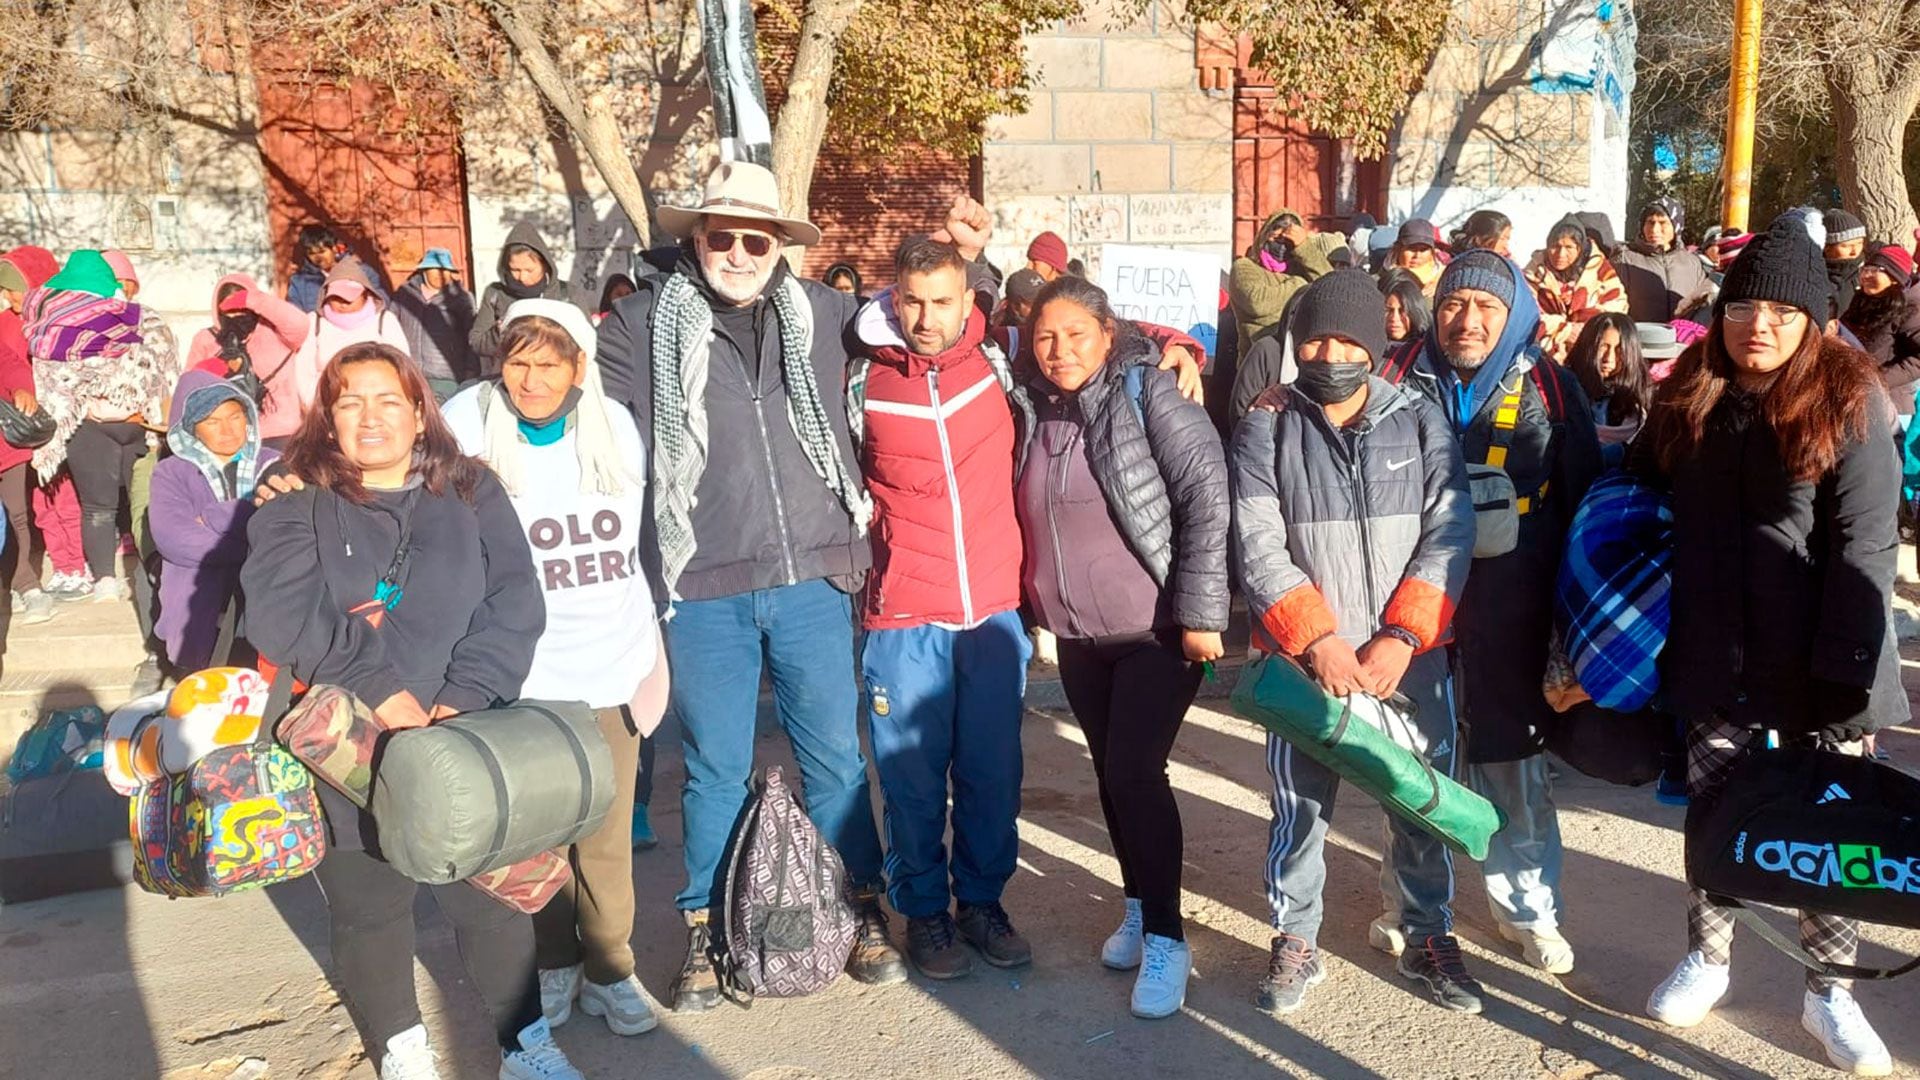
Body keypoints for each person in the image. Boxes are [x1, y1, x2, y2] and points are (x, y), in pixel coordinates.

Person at [595, 160, 908, 1010]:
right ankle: (706, 928)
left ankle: (863, 907)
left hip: (812, 571)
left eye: (756, 238)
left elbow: (936, 325)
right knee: (714, 768)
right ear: (695, 238)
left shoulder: (830, 315)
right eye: (722, 235)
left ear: (780, 247)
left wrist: (1164, 349)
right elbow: (587, 424)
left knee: (837, 761)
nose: (738, 251)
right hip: (700, 580)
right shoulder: (638, 323)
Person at [241, 342, 582, 1080]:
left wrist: (462, 700)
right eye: (351, 401)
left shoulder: (470, 490)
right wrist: (380, 691)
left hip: (465, 731)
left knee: (489, 901)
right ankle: (401, 1045)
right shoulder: (294, 498)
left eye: (389, 400)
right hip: (348, 744)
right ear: (327, 417)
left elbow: (515, 602)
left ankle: (524, 1045)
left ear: (418, 412)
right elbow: (280, 613)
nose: (371, 417)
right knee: (370, 908)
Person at [1635, 216, 1903, 1078]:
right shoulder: (1692, 391)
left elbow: (1867, 544)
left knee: (1825, 837)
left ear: (1814, 320)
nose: (1760, 326)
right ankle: (1709, 960)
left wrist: (1850, 685)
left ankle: (1831, 994)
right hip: (1716, 655)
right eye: (1745, 307)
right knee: (1720, 821)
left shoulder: (1849, 397)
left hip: (1822, 666)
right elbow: (1634, 481)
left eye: (1783, 313)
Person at [1232, 270, 1478, 1015]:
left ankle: (1428, 932)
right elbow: (1257, 540)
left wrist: (1403, 635)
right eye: (1315, 337)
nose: (1330, 352)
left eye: (1347, 338)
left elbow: (1450, 530)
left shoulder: (1423, 421)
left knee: (1420, 805)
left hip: (1411, 661)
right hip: (1309, 664)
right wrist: (1319, 641)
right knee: (1299, 808)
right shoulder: (1266, 424)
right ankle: (1295, 938)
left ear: (1375, 343)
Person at [442, 300, 665, 1042]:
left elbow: (641, 547)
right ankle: (553, 963)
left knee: (603, 834)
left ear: (578, 367)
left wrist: (652, 658)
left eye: (549, 363)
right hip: (521, 672)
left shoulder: (616, 430)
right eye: (517, 361)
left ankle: (610, 969)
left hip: (609, 663)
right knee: (534, 837)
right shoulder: (468, 428)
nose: (530, 379)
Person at [1378, 248, 1602, 976]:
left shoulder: (1552, 387)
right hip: (1415, 610)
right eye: (1452, 304)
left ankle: (1529, 912)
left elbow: (1584, 514)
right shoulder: (1393, 378)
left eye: (1486, 308)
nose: (1466, 321)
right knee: (1411, 768)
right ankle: (1408, 907)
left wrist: (1571, 636)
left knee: (1514, 769)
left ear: (1514, 317)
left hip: (1516, 610)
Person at [1016, 276, 1229, 1018]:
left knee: (1137, 772)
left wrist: (1203, 612)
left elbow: (1208, 491)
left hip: (1157, 632)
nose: (1060, 349)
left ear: (1109, 334)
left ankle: (1169, 939)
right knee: (1109, 776)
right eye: (1046, 336)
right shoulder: (1032, 408)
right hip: (1077, 636)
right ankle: (1138, 903)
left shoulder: (1149, 393)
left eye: (1077, 333)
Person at [849, 236, 1036, 981]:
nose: (927, 317)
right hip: (904, 617)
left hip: (992, 610)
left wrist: (1177, 347)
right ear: (894, 298)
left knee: (993, 776)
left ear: (969, 301)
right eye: (913, 301)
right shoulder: (858, 376)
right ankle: (924, 914)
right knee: (913, 784)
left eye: (942, 301)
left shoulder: (1000, 360)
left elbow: (1093, 341)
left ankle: (982, 904)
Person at [25, 250, 174, 604]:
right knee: (139, 504)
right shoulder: (144, 320)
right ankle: (142, 573)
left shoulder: (49, 330)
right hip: (135, 424)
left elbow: (54, 384)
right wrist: (150, 409)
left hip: (93, 425)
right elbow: (162, 370)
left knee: (100, 507)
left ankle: (110, 578)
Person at [148, 369, 276, 671]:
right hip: (199, 602)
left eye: (235, 417)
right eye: (212, 422)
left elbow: (281, 526)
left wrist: (214, 517)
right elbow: (173, 537)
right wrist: (248, 537)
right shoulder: (171, 472)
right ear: (191, 429)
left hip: (264, 597)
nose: (227, 430)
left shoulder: (274, 464)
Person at [265, 258, 411, 446]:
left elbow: (402, 367)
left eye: (349, 297)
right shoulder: (315, 323)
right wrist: (319, 409)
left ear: (366, 294)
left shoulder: (385, 321)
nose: (342, 303)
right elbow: (303, 372)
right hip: (325, 416)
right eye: (336, 297)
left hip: (374, 413)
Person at [0, 247, 55, 624]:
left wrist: (23, 390)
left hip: (7, 441)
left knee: (18, 514)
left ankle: (26, 583)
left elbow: (12, 365)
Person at [1230, 210, 1331, 367]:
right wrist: (1300, 286)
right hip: (1259, 365)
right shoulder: (1245, 267)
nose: (1282, 246)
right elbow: (1257, 304)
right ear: (1265, 236)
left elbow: (1331, 290)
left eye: (1288, 242)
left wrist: (1304, 247)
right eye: (1277, 239)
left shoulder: (1299, 267)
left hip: (1299, 365)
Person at [473, 223, 574, 376]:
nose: (522, 277)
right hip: (509, 381)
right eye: (515, 270)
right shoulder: (495, 294)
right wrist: (499, 331)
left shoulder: (567, 294)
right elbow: (477, 342)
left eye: (529, 270)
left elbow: (587, 342)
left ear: (545, 265)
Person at [1525, 215, 1628, 364]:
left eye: (1569, 247)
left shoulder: (1599, 269)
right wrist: (1565, 330)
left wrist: (1586, 330)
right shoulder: (1534, 272)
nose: (1560, 254)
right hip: (1542, 358)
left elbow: (1618, 306)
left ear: (1580, 248)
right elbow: (1526, 314)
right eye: (1555, 246)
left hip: (1591, 356)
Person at [185, 274, 309, 392]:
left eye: (241, 310)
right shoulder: (206, 339)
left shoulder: (273, 332)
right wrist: (202, 375)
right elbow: (186, 391)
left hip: (277, 412)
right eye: (229, 312)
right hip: (229, 412)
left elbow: (300, 325)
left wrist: (254, 299)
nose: (235, 317)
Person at [1841, 245, 1920, 422]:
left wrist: (1879, 379)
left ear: (1895, 277)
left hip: (1890, 403)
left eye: (1875, 270)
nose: (1866, 275)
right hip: (1854, 392)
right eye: (1865, 269)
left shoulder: (1911, 308)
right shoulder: (1861, 300)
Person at [1562, 314, 1649, 470]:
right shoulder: (1564, 393)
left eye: (1619, 350)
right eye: (1603, 347)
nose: (1609, 358)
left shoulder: (1642, 403)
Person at [391, 248, 477, 402]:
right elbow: (390, 327)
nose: (441, 274)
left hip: (447, 378)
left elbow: (472, 337)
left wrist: (470, 372)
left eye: (445, 269)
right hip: (411, 374)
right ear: (424, 271)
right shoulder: (404, 295)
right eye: (435, 269)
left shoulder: (461, 299)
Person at [1614, 199, 1712, 325]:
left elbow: (1701, 306)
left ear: (1676, 226)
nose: (1654, 229)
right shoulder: (1625, 259)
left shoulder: (1692, 263)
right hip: (1640, 339)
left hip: (1683, 340)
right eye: (1650, 222)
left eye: (1662, 222)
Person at [1822, 208, 1869, 317]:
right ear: (1827, 248)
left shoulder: (1867, 274)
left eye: (1859, 243)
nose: (1855, 251)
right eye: (1846, 246)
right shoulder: (1815, 276)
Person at [286, 224, 342, 313]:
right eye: (312, 253)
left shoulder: (356, 271)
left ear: (334, 249)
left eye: (322, 251)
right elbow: (295, 315)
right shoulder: (299, 281)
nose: (318, 258)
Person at [1388, 220, 1445, 298]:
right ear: (1398, 249)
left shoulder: (1445, 279)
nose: (1417, 255)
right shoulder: (1384, 279)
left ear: (1432, 252)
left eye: (1423, 250)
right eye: (1411, 249)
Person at [1379, 269, 1432, 346]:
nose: (1394, 318)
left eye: (1402, 310)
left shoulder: (1431, 348)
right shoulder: (1365, 347)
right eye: (1387, 310)